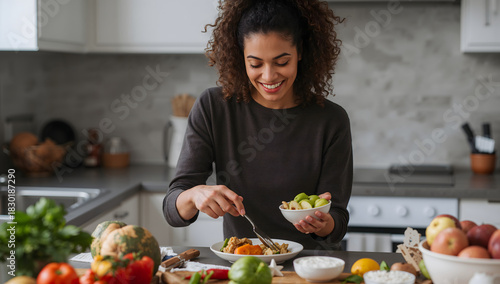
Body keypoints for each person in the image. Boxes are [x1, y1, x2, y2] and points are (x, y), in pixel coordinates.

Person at [163, 0, 352, 250]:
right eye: (255, 64)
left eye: (281, 62)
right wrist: (194, 195)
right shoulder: (214, 107)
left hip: (309, 268)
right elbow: (172, 209)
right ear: (240, 56)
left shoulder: (331, 119)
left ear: (301, 53)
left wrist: (323, 223)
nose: (268, 76)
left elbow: (337, 222)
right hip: (244, 263)